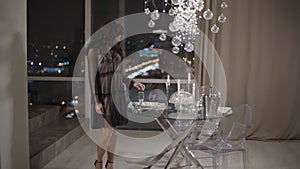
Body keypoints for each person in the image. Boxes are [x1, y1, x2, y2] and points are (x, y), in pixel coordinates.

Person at [87, 21, 145, 169]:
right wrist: (96, 101)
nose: (120, 38)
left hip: (118, 95)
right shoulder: (94, 51)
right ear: (110, 34)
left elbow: (121, 74)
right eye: (118, 34)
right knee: (107, 131)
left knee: (113, 132)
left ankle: (110, 163)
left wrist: (133, 83)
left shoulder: (118, 51)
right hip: (105, 96)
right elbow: (92, 78)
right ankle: (98, 162)